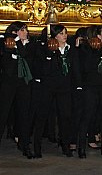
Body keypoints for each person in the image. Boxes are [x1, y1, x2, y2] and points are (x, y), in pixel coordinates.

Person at [0, 21, 35, 161]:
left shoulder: (30, 44)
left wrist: (19, 43)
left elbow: (25, 54)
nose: (25, 32)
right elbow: (4, 63)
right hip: (9, 84)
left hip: (24, 84)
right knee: (2, 114)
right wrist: (13, 42)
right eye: (22, 30)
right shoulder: (6, 44)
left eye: (26, 30)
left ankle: (25, 145)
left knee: (24, 115)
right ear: (14, 32)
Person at [32, 24, 79, 158]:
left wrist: (77, 85)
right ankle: (37, 147)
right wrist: (51, 53)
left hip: (64, 88)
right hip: (48, 87)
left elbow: (75, 69)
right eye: (61, 33)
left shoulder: (70, 49)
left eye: (65, 33)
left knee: (65, 117)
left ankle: (65, 145)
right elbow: (43, 69)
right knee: (42, 116)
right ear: (55, 36)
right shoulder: (46, 49)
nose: (65, 36)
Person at [77, 25, 102, 157]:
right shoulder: (89, 49)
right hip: (91, 87)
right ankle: (81, 148)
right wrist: (97, 52)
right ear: (99, 36)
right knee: (87, 116)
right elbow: (87, 67)